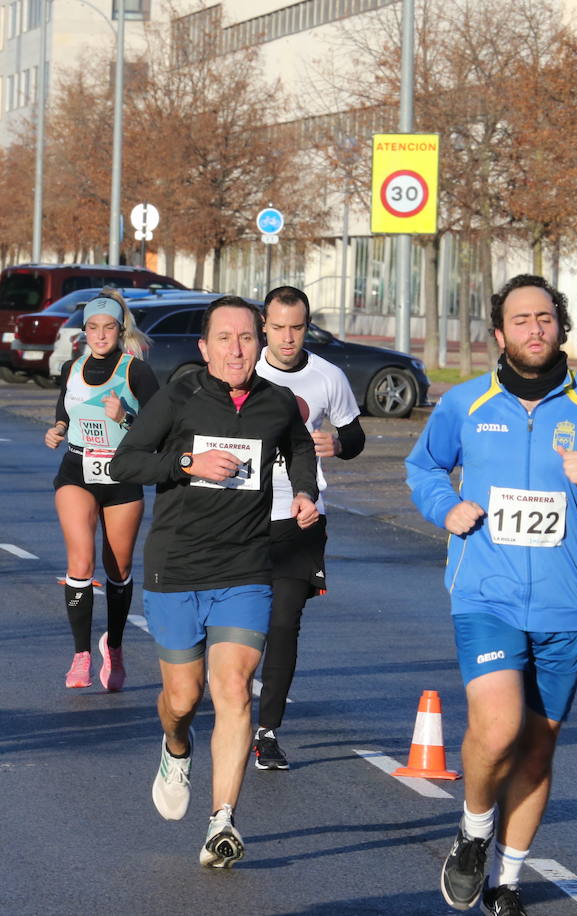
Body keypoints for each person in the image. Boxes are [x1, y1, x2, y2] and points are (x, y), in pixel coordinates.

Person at [406, 275, 577, 915]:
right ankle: (474, 830)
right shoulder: (466, 404)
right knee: (498, 727)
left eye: (545, 318)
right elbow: (423, 465)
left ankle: (508, 881)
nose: (534, 329)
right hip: (484, 592)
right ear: (499, 334)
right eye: (521, 320)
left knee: (539, 747)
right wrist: (445, 506)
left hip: (563, 600)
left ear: (560, 328)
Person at [109, 295, 318, 869]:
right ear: (204, 348)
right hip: (177, 568)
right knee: (182, 699)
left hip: (245, 569)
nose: (236, 349)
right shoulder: (178, 396)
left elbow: (299, 445)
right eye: (224, 338)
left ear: (262, 343)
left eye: (247, 338)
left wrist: (305, 491)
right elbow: (125, 463)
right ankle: (177, 747)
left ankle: (221, 821)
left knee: (232, 688)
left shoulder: (276, 403)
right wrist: (185, 464)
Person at [250, 286, 366, 771]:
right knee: (235, 626)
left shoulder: (328, 377)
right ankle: (226, 708)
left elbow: (355, 436)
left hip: (302, 516)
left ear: (307, 325)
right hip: (242, 515)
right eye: (278, 327)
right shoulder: (244, 369)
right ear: (264, 326)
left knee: (283, 624)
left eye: (296, 327)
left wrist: (336, 445)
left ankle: (267, 730)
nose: (287, 337)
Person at [43, 290, 158, 690]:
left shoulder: (136, 372)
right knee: (81, 562)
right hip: (76, 469)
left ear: (119, 330)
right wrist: (57, 429)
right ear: (85, 331)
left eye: (108, 327)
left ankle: (116, 646)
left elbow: (162, 427)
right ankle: (81, 656)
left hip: (122, 474)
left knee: (119, 568)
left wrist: (125, 416)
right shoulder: (72, 368)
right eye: (93, 328)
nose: (100, 335)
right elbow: (64, 408)